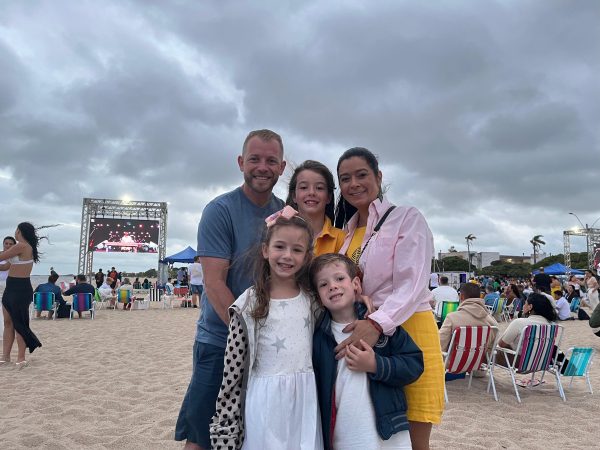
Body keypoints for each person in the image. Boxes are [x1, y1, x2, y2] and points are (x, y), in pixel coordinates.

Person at [175, 129, 286, 450]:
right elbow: (213, 283)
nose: (262, 167)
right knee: (203, 435)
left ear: (281, 167)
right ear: (241, 162)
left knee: (254, 433)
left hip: (269, 344)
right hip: (220, 341)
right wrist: (249, 335)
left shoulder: (286, 214)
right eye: (254, 159)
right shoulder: (220, 210)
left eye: (271, 160)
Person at [333, 147, 444, 450]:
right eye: (345, 179)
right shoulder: (346, 232)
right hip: (369, 338)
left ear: (378, 177)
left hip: (409, 331)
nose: (353, 184)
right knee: (380, 432)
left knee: (415, 436)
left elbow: (412, 283)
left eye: (361, 175)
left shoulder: (407, 218)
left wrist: (377, 323)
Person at [210, 214, 322, 449]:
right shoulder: (248, 303)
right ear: (265, 250)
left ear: (307, 256)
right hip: (264, 403)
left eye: (297, 249)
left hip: (305, 401)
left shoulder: (313, 300)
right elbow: (233, 367)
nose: (287, 256)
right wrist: (226, 420)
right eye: (280, 246)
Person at [311, 253, 423, 450]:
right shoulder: (318, 337)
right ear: (318, 297)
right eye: (323, 284)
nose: (332, 286)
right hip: (345, 436)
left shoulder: (382, 325)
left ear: (355, 284)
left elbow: (414, 364)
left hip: (389, 435)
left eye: (339, 278)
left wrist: (376, 365)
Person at [0, 223, 43, 367]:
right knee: (8, 322)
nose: (15, 232)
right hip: (10, 287)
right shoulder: (20, 248)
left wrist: (3, 253)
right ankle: (5, 356)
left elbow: (2, 257)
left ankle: (21, 357)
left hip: (20, 288)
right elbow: (5, 266)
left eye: (16, 230)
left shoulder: (22, 246)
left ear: (20, 231)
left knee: (20, 323)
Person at [285, 160, 346, 255]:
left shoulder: (343, 239)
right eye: (304, 187)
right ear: (294, 196)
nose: (311, 192)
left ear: (328, 197)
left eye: (319, 188)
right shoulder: (279, 232)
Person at [439, 282, 498, 353]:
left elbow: (440, 345)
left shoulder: (451, 318)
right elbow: (491, 348)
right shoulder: (491, 322)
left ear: (461, 296)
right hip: (477, 363)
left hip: (453, 363)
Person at [0, 236, 17, 341]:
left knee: (9, 315)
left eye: (11, 244)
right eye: (6, 243)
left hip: (11, 286)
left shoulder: (16, 257)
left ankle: (8, 334)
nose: (8, 246)